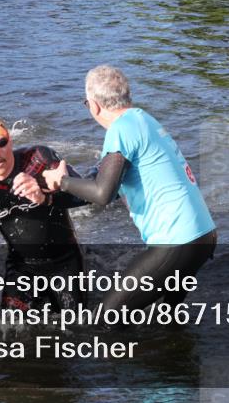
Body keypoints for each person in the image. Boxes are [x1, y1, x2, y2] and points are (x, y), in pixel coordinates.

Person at [44, 65, 217, 313]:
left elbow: (103, 194)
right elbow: (111, 186)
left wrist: (62, 182)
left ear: (92, 105)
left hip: (178, 242)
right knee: (167, 320)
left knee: (107, 319)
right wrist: (58, 197)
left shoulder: (120, 129)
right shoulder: (143, 119)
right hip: (204, 235)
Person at [0, 113, 88, 311]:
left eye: (2, 143)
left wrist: (47, 194)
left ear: (10, 141)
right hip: (21, 266)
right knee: (11, 330)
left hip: (64, 260)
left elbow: (87, 196)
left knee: (77, 327)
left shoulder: (38, 159)